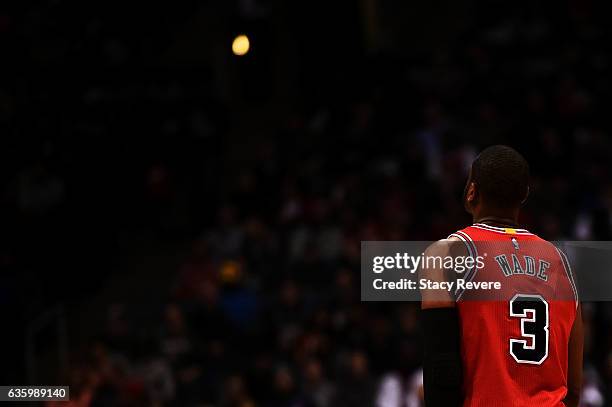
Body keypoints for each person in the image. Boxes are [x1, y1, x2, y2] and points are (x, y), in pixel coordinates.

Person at [420, 145, 583, 407]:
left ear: (472, 191)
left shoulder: (445, 254)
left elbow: (442, 373)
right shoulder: (561, 263)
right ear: (525, 195)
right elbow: (574, 387)